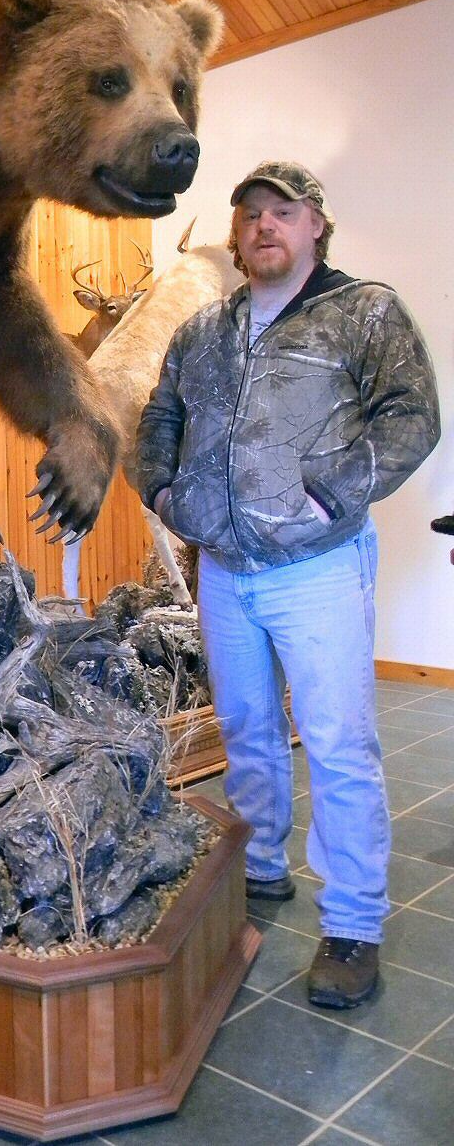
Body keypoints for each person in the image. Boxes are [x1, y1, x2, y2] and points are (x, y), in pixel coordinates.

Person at [134, 161, 440, 1009]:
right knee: (247, 728)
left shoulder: (363, 312)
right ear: (235, 237)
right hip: (226, 572)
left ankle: (352, 924)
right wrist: (164, 491)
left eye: (284, 211)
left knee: (339, 743)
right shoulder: (203, 329)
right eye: (251, 215)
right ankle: (260, 866)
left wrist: (329, 491)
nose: (265, 224)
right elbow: (159, 415)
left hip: (318, 568)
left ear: (316, 226)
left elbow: (412, 414)